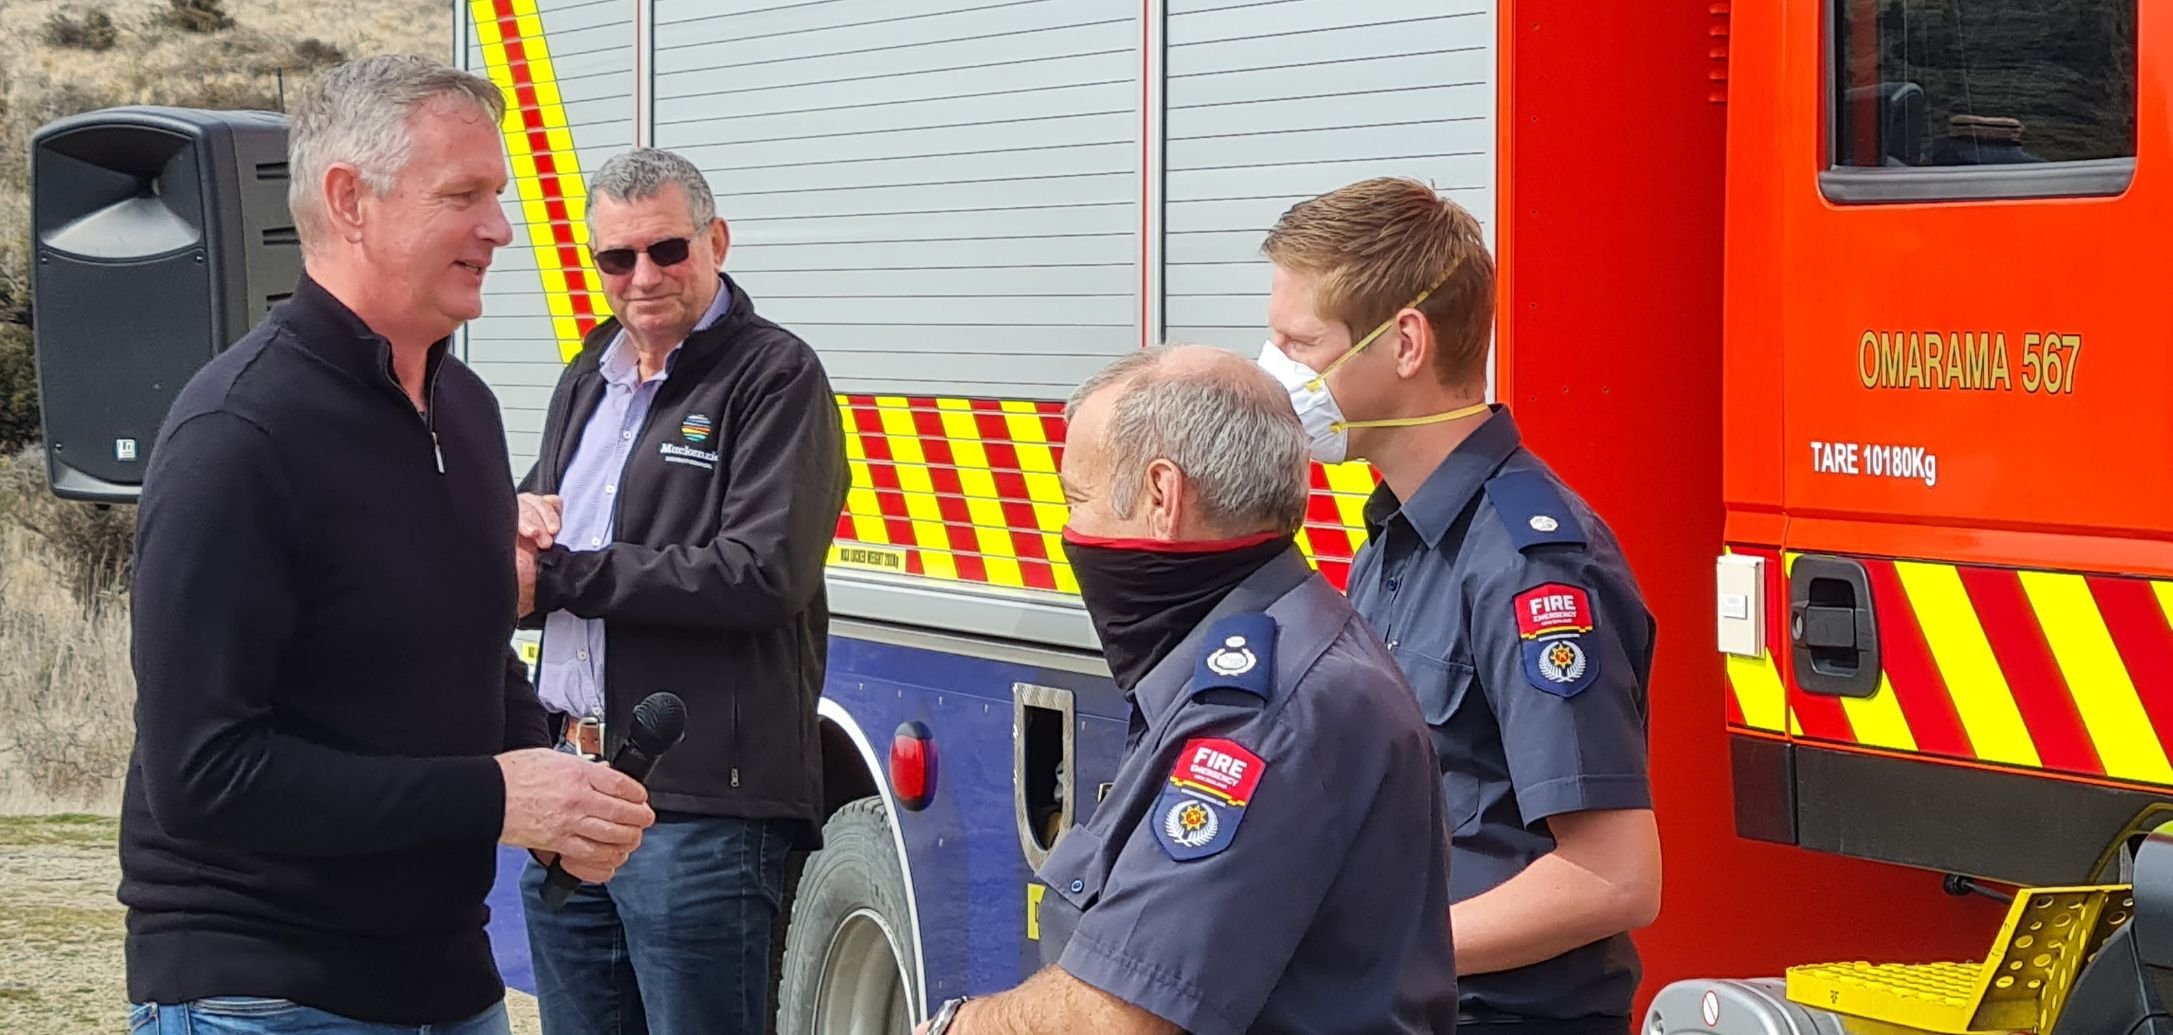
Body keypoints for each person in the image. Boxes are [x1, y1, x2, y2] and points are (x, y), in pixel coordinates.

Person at [123, 55, 655, 1035]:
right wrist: (496, 793)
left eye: (497, 195)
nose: (500, 227)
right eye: (463, 195)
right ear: (348, 200)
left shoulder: (467, 411)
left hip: (447, 986)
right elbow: (201, 775)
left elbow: (467, 648)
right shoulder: (238, 437)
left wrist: (554, 797)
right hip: (265, 993)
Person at [917, 345, 1459, 1035]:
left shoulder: (1270, 711)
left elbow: (1117, 1018)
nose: (1070, 531)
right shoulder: (1245, 657)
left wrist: (953, 1027)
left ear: (1160, 496)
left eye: (1076, 500)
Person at [1256, 177, 1661, 1035]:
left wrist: (1372, 946)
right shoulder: (1392, 545)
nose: (1275, 372)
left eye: (1299, 343)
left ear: (1404, 341)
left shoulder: (1530, 566)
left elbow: (1614, 877)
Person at [511, 147, 848, 1035]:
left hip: (699, 807)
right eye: (616, 258)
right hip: (572, 789)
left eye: (666, 249)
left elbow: (761, 573)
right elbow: (542, 526)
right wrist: (509, 530)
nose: (642, 277)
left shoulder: (774, 375)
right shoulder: (589, 373)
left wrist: (555, 575)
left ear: (716, 241)